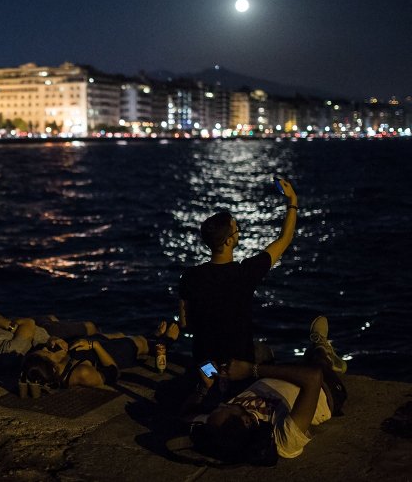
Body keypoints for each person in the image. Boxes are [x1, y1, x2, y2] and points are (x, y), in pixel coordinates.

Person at [189, 316, 347, 463]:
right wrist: (251, 370)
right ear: (247, 421)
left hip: (281, 377)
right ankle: (322, 348)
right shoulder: (282, 440)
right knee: (318, 361)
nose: (221, 404)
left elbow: (186, 415)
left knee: (257, 350)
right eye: (225, 408)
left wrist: (204, 387)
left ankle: (303, 358)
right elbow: (313, 378)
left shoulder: (220, 425)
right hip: (323, 386)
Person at [178, 177, 298, 368]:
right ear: (228, 241)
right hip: (236, 366)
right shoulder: (245, 273)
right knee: (265, 352)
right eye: (236, 230)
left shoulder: (190, 276)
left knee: (206, 365)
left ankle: (208, 380)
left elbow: (184, 324)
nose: (239, 233)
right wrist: (292, 201)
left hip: (204, 364)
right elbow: (284, 239)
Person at [21, 321, 180, 389]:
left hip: (91, 345)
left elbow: (35, 362)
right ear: (54, 369)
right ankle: (167, 341)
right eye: (48, 354)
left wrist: (53, 341)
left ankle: (153, 335)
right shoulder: (81, 374)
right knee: (139, 343)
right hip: (110, 353)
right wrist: (95, 346)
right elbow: (113, 373)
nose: (48, 350)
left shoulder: (52, 366)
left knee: (120, 334)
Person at [0, 309, 67, 376]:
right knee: (75, 326)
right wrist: (0, 325)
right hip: (45, 333)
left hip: (17, 321)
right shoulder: (10, 353)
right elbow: (29, 323)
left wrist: (7, 325)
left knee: (49, 317)